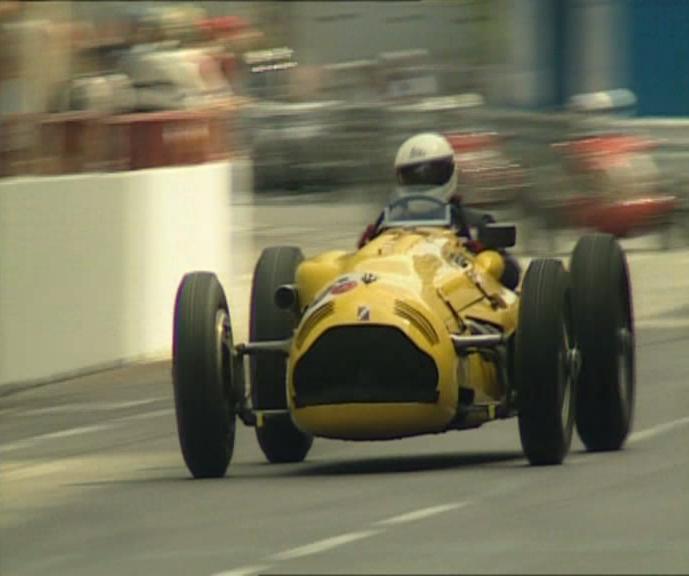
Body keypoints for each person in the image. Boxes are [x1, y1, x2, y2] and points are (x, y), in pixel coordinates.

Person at [358, 132, 521, 290]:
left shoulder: (473, 223)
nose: (423, 182)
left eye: (431, 174)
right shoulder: (385, 223)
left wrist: (481, 255)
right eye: (414, 176)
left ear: (450, 171)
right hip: (398, 288)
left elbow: (511, 276)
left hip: (452, 293)